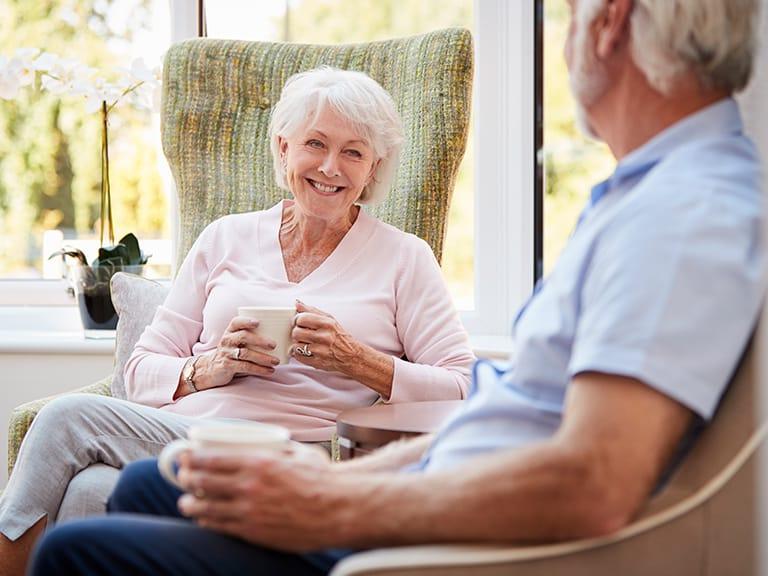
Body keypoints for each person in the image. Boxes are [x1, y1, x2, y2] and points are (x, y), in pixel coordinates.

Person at [28, 0, 765, 573]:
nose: (564, 40)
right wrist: (339, 479)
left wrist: (335, 496)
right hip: (399, 474)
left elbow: (594, 480)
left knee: (74, 552)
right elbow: (510, 410)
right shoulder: (646, 196)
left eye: (568, 15)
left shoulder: (684, 214)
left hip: (447, 538)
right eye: (315, 144)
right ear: (283, 150)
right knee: (139, 488)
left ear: (611, 24)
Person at [0, 67, 475, 575]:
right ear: (284, 148)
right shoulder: (224, 237)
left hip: (299, 451)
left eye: (354, 152)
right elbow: (138, 374)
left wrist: (360, 362)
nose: (331, 167)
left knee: (66, 425)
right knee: (86, 482)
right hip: (188, 431)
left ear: (374, 167)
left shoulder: (404, 258)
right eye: (315, 143)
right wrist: (208, 368)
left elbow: (463, 386)